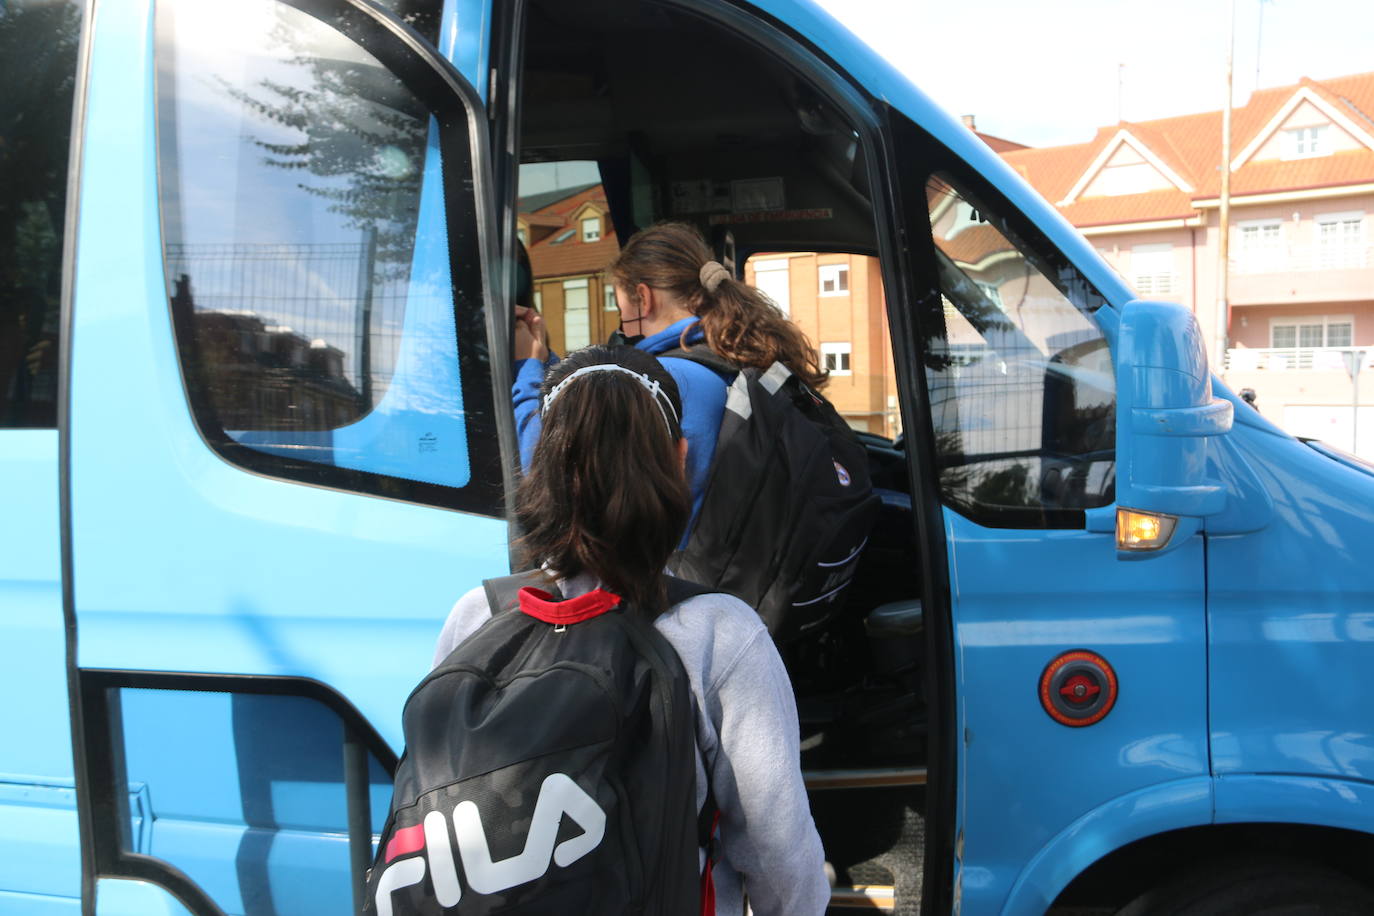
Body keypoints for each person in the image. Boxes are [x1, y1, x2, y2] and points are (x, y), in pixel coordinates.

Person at [436, 345, 830, 916]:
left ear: (541, 466)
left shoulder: (476, 616)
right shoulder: (719, 635)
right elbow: (781, 860)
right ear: (679, 459)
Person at [512, 221, 827, 529]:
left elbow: (552, 467)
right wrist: (544, 359)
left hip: (671, 571)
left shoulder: (667, 382)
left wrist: (528, 367)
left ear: (644, 298)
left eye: (621, 308)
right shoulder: (729, 355)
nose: (621, 324)